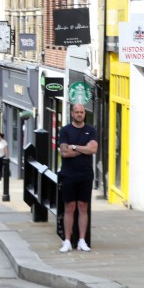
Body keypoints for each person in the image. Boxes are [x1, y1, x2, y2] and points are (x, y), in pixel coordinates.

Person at [58, 104, 98, 253]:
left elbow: (93, 149)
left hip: (85, 174)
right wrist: (84, 149)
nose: (80, 114)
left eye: (82, 112)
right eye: (77, 112)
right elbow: (64, 153)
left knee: (83, 207)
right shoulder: (65, 130)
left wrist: (74, 146)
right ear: (72, 113)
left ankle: (82, 240)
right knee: (69, 207)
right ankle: (67, 241)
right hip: (68, 174)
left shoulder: (91, 130)